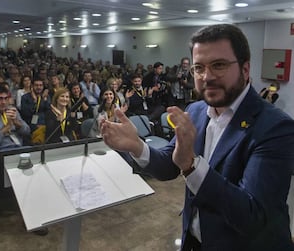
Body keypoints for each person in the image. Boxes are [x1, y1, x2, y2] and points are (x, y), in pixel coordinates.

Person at [100, 24, 294, 250]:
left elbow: (252, 216)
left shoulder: (276, 128)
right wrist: (137, 146)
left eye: (219, 65)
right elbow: (170, 165)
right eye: (199, 68)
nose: (207, 76)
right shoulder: (196, 110)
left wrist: (191, 166)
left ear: (245, 69)